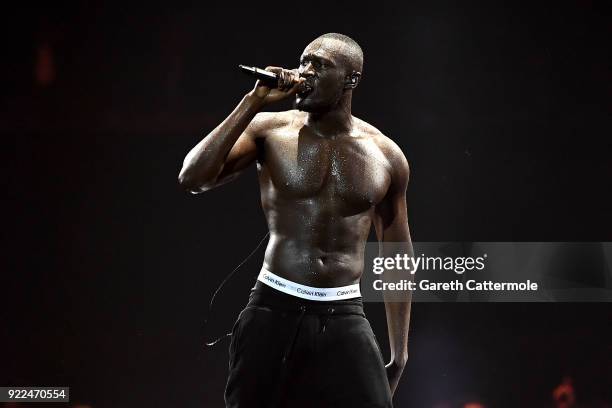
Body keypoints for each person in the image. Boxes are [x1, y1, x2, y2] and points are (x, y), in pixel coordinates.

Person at [179, 33, 413, 408]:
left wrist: (400, 352)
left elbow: (397, 253)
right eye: (303, 62)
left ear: (351, 79)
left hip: (344, 315)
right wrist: (252, 101)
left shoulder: (386, 154)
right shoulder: (269, 130)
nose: (304, 72)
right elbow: (192, 178)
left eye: (319, 65)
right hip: (273, 307)